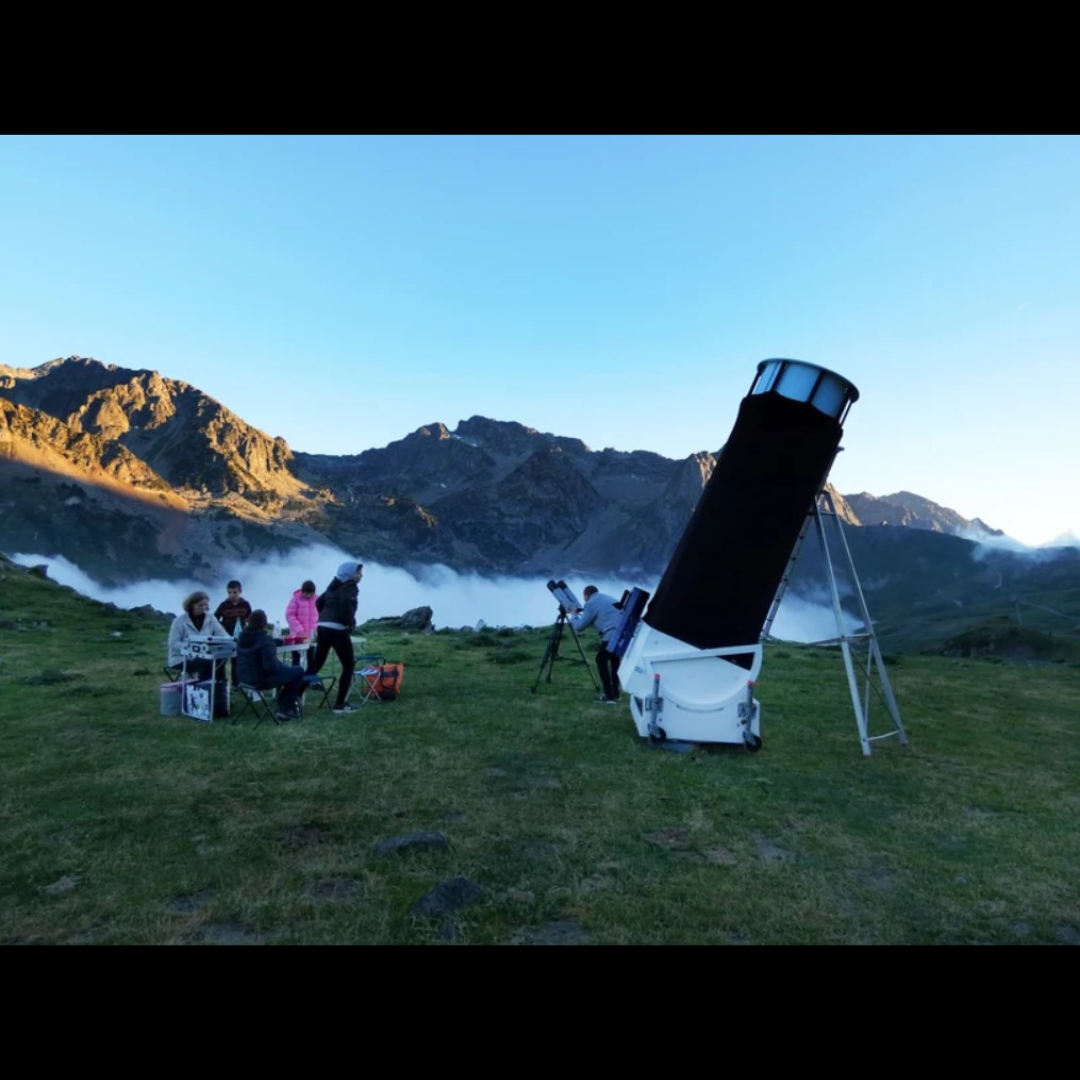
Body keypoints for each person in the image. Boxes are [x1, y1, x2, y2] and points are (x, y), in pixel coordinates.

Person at [306, 560, 363, 714]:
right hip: (338, 629)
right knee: (348, 666)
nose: (361, 575)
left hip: (323, 627)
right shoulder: (350, 586)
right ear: (351, 574)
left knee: (316, 665)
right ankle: (340, 705)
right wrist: (350, 623)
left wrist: (325, 617)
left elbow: (319, 602)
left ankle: (293, 696)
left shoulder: (333, 586)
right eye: (358, 572)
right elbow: (346, 604)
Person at [235, 609, 306, 722]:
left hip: (244, 679)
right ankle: (286, 708)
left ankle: (284, 702)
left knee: (289, 672)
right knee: (298, 671)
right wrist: (283, 668)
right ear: (264, 624)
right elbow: (271, 667)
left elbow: (259, 643)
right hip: (261, 681)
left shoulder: (241, 638)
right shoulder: (265, 641)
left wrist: (275, 642)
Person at [570, 585, 622, 704]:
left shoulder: (590, 603)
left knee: (601, 659)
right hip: (622, 633)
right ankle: (616, 693)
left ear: (586, 595)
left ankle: (609, 696)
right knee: (614, 660)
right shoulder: (608, 598)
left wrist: (573, 615)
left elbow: (579, 627)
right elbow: (601, 619)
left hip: (611, 634)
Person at [167, 590, 230, 683]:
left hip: (205, 655)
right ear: (191, 606)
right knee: (206, 663)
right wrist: (193, 649)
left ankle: (219, 686)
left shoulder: (211, 619)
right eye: (200, 605)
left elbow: (223, 635)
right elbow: (173, 643)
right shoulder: (179, 621)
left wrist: (230, 642)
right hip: (181, 658)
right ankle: (204, 688)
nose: (204, 608)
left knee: (220, 658)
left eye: (205, 605)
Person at [214, 580, 253, 687]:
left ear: (240, 592)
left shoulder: (245, 604)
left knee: (237, 661)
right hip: (226, 636)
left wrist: (248, 628)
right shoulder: (224, 605)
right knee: (221, 660)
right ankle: (220, 682)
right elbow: (214, 618)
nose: (232, 595)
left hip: (240, 637)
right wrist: (221, 627)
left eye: (234, 592)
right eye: (229, 592)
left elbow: (251, 618)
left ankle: (236, 683)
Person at [285, 580, 319, 668]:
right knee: (296, 660)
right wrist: (299, 630)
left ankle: (310, 680)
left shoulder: (318, 599)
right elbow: (290, 615)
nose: (308, 596)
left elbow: (322, 615)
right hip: (297, 636)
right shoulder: (295, 599)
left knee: (311, 659)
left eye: (310, 593)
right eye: (306, 593)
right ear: (302, 591)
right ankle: (295, 680)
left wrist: (318, 630)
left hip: (312, 636)